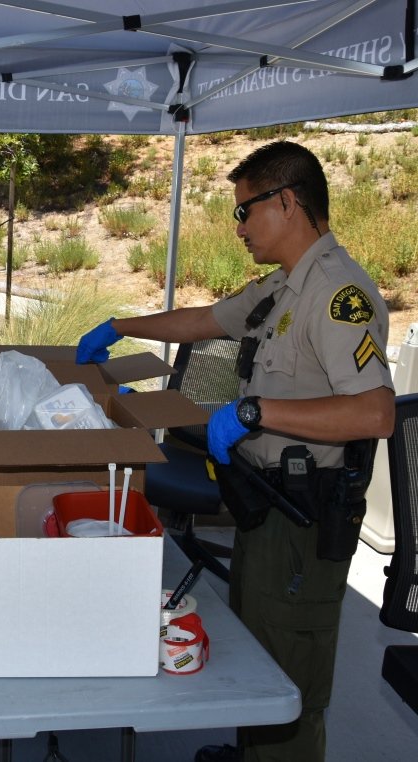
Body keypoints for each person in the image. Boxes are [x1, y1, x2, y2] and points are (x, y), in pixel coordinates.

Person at [77, 141, 394, 762]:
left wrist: (255, 411)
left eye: (245, 211)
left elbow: (375, 412)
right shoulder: (284, 287)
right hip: (263, 502)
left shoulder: (337, 294)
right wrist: (120, 326)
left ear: (287, 202)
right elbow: (204, 322)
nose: (240, 227)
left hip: (304, 518)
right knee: (258, 654)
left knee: (288, 684)